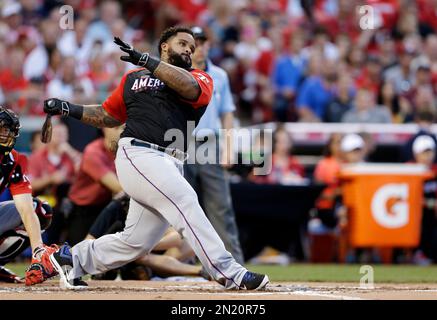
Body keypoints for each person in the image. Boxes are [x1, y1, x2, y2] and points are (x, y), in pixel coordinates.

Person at [44, 26, 269, 290]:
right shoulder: (133, 78)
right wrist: (68, 108)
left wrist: (146, 60)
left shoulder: (201, 78)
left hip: (170, 161)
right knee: (186, 200)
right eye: (183, 43)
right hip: (138, 152)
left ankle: (72, 259)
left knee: (135, 242)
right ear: (164, 45)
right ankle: (230, 272)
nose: (188, 49)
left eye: (192, 47)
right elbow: (108, 115)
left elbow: (187, 87)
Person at [184, 26, 244, 264]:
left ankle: (233, 264)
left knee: (220, 207)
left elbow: (227, 114)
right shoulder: (179, 73)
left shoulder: (219, 75)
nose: (200, 48)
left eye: (203, 42)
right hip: (181, 141)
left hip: (210, 142)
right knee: (183, 206)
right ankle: (182, 264)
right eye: (195, 43)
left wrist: (229, 148)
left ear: (209, 45)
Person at [0, 106, 58, 285]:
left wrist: (38, 251)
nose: (5, 135)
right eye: (1, 130)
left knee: (40, 210)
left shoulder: (13, 160)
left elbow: (25, 209)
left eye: (7, 130)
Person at [66, 126, 124, 245]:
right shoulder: (93, 152)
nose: (123, 131)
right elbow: (119, 188)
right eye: (118, 127)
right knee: (80, 256)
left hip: (107, 206)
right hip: (83, 211)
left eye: (125, 127)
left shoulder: (126, 151)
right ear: (104, 128)